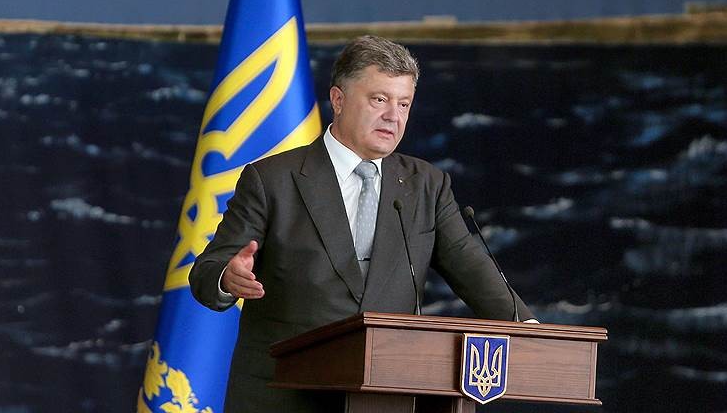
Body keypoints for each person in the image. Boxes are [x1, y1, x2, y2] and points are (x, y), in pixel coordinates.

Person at [189, 35, 535, 412]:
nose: (393, 116)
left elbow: (470, 266)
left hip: (385, 394)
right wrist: (227, 278)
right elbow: (207, 272)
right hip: (283, 394)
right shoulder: (272, 180)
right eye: (379, 99)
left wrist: (530, 332)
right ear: (338, 100)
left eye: (404, 103)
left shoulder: (426, 185)